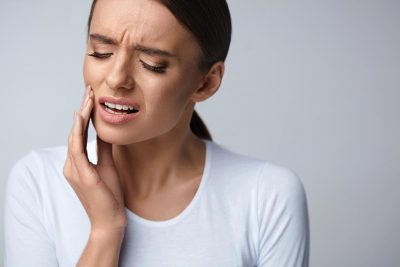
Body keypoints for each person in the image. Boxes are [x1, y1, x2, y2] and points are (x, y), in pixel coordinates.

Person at [3, 0, 310, 266]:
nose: (116, 78)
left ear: (206, 83)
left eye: (151, 64)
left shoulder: (267, 197)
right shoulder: (37, 183)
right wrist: (105, 232)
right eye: (100, 52)